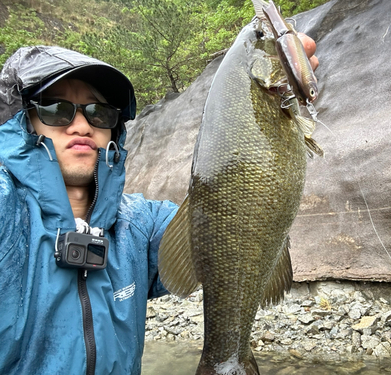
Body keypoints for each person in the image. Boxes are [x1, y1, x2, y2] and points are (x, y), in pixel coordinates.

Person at [0, 36, 318, 374]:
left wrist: (283, 97)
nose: (81, 125)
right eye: (55, 109)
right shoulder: (7, 212)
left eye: (99, 112)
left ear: (114, 130)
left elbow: (230, 222)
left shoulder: (140, 226)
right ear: (22, 123)